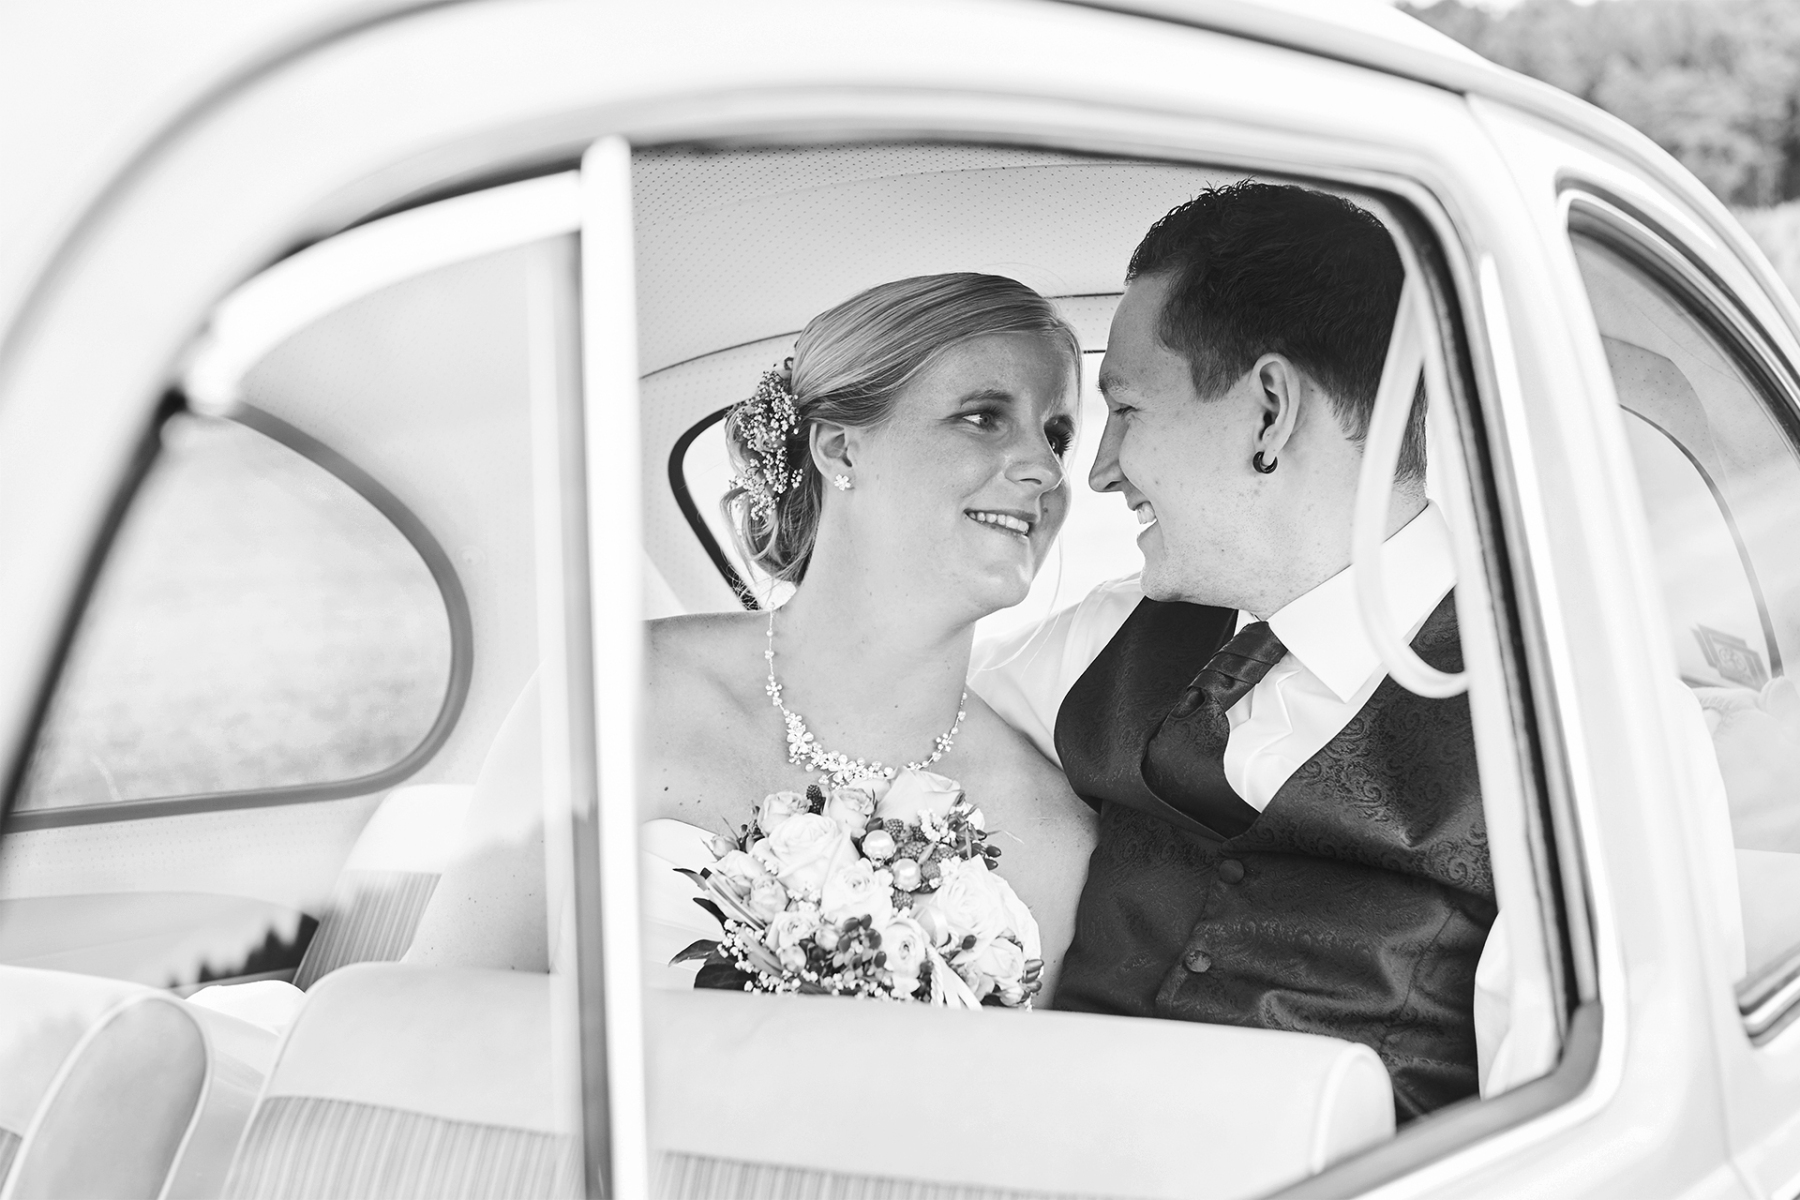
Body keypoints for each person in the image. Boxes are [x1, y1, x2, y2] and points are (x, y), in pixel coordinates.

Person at [971, 183, 1493, 1120]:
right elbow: (897, 730)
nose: (1099, 471)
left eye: (1127, 409)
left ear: (1269, 412)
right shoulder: (1105, 636)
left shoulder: (1562, 728)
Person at [641, 273, 1098, 1001]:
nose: (1046, 468)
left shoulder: (1054, 835)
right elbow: (456, 1004)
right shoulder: (625, 690)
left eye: (1057, 436)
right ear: (841, 449)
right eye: (983, 417)